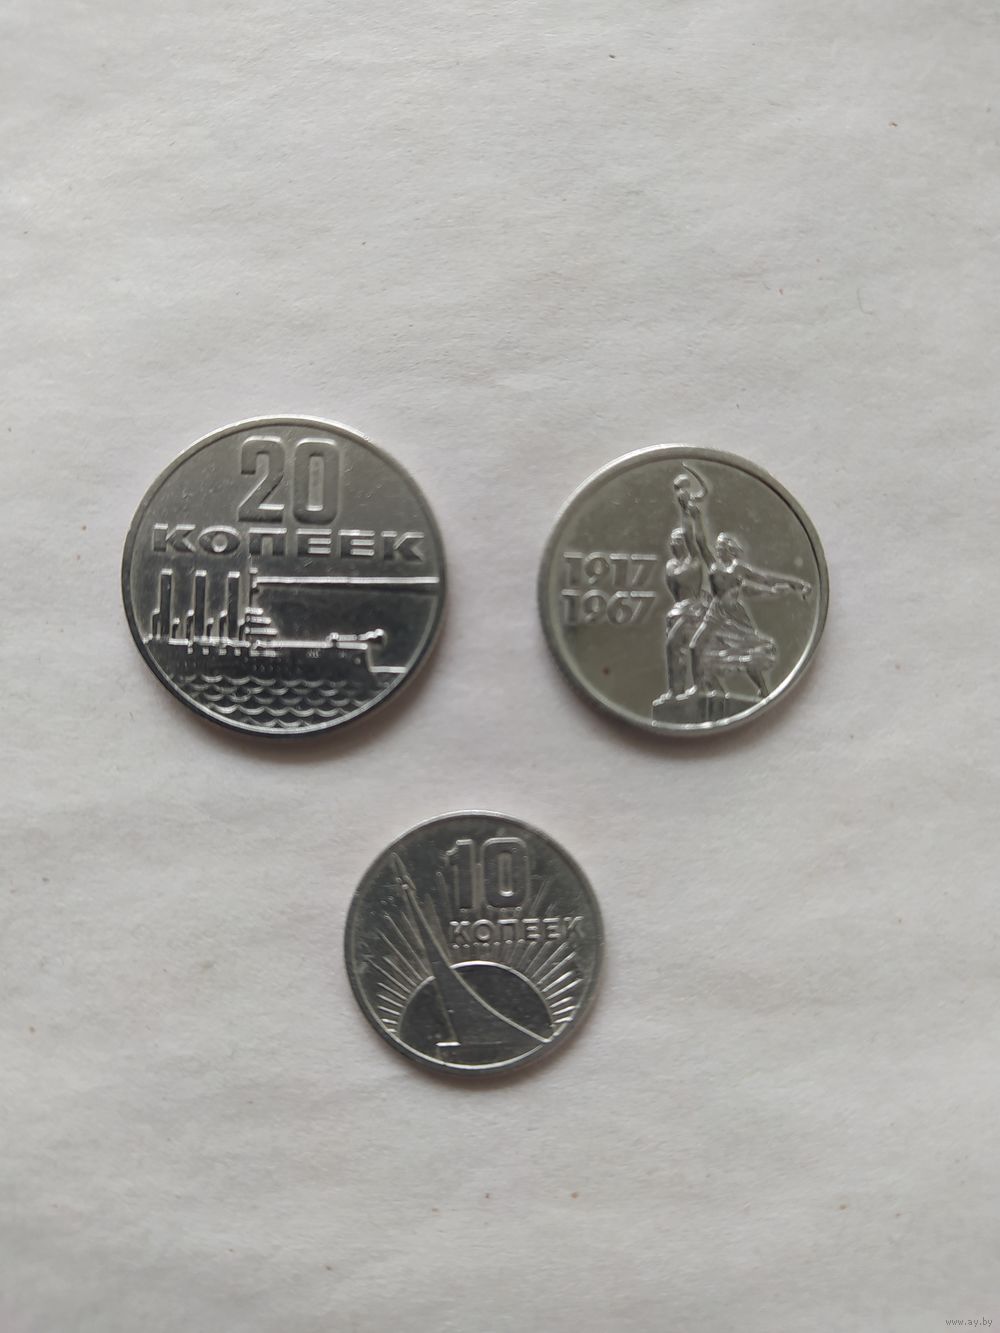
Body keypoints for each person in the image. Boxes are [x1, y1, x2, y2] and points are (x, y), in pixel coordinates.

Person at [689, 532, 811, 700]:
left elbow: (765, 579)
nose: (717, 550)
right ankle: (698, 687)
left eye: (721, 547)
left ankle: (762, 689)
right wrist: (693, 519)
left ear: (730, 550)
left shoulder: (738, 568)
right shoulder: (714, 567)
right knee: (695, 645)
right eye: (717, 547)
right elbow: (701, 543)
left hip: (735, 615)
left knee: (748, 651)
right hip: (715, 613)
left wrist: (796, 584)